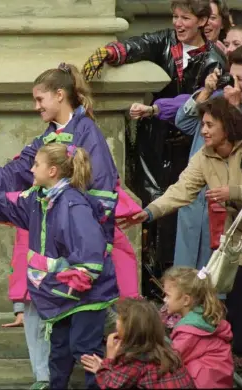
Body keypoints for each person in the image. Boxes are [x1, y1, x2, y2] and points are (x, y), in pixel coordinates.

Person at [0, 143, 119, 389]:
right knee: (59, 351)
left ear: (53, 171)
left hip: (87, 294)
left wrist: (82, 274)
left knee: (84, 349)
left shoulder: (73, 204)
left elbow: (89, 247)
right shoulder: (38, 198)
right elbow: (2, 204)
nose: (31, 168)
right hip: (63, 293)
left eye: (36, 164)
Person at [83, 0, 227, 285]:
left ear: (202, 21)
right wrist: (110, 52)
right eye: (175, 17)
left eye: (185, 18)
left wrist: (159, 109)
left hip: (191, 143)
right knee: (148, 200)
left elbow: (198, 106)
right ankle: (150, 280)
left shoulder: (214, 60)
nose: (178, 23)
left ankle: (175, 283)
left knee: (179, 213)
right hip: (154, 141)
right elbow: (139, 44)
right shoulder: (165, 40)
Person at [120, 95, 242, 369]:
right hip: (235, 244)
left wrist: (233, 192)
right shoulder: (204, 156)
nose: (204, 130)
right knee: (233, 303)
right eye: (203, 124)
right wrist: (148, 212)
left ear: (227, 126)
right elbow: (181, 189)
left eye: (210, 124)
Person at [80, 298, 195, 389]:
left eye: (119, 319)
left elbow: (110, 385)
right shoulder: (167, 350)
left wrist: (108, 361)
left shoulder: (136, 361)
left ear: (128, 329)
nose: (116, 321)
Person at [162, 266, 234, 388]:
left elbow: (169, 361)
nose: (164, 299)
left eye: (168, 295)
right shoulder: (203, 317)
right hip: (219, 381)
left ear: (186, 300)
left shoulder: (190, 331)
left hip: (202, 384)